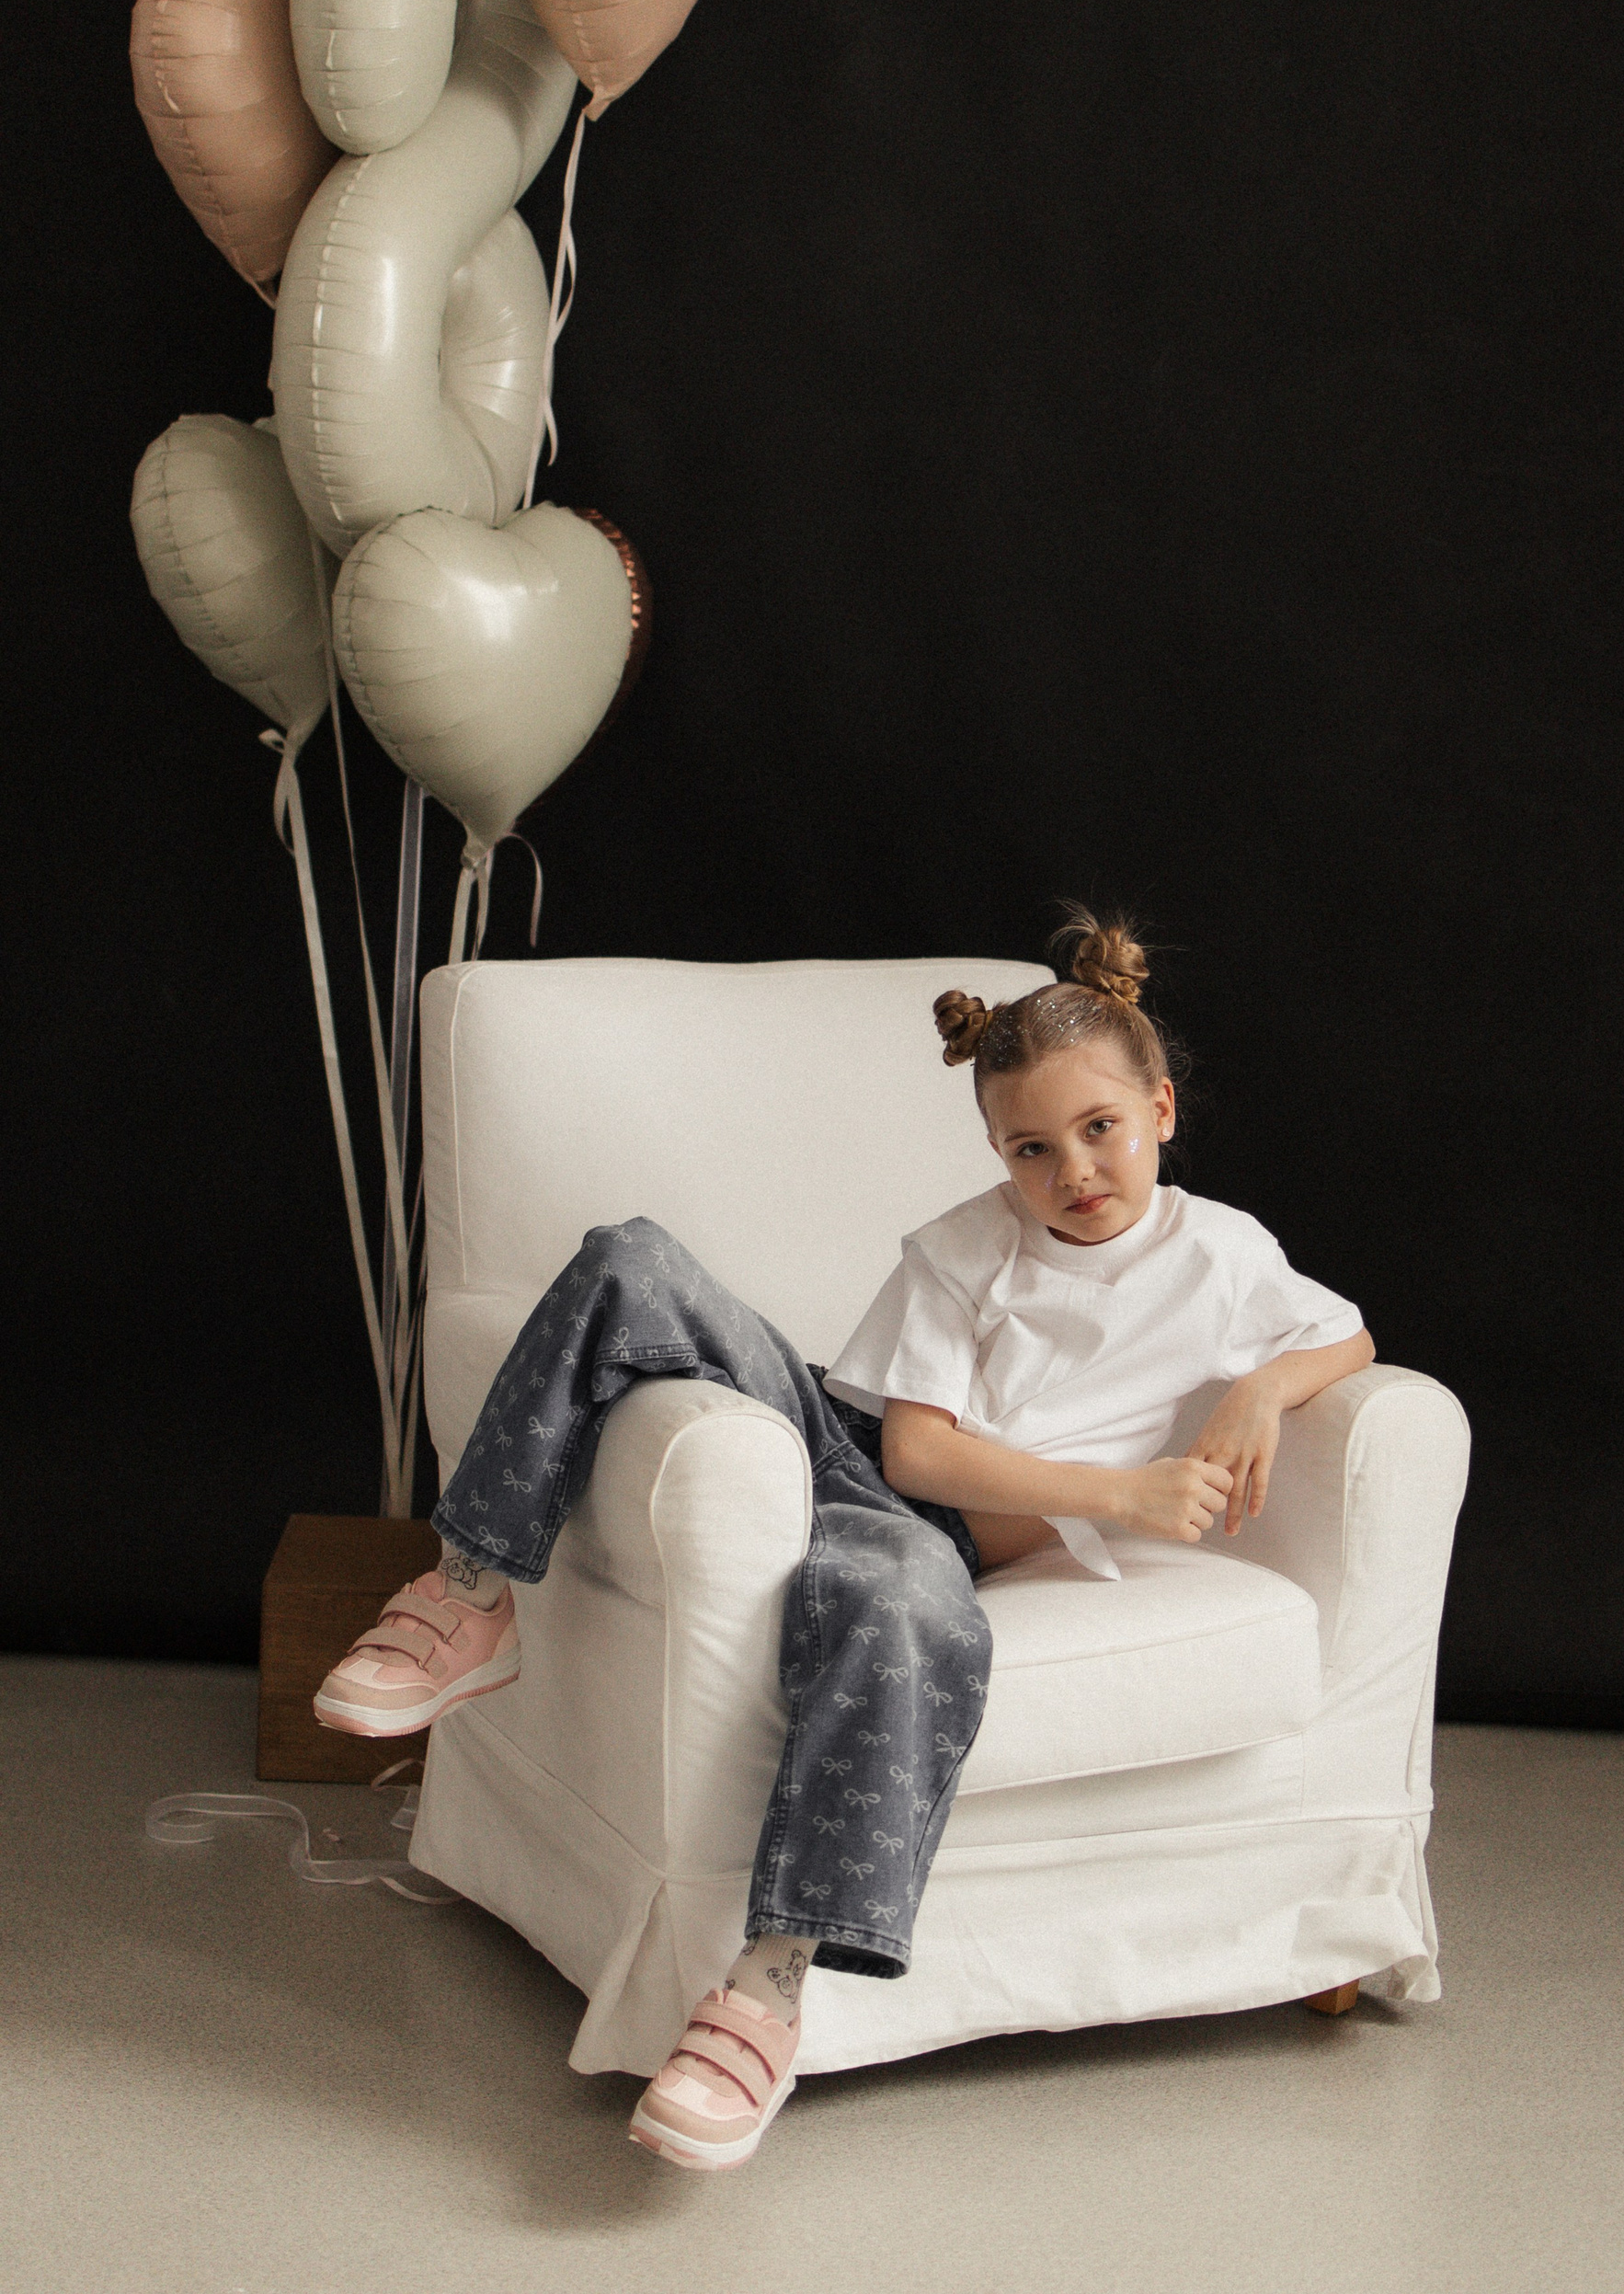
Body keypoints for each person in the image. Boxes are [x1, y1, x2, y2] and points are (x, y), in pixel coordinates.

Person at [314, 911, 1375, 2170]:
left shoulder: (1225, 1255)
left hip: (924, 1542)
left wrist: (1258, 1392)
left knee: (908, 1607)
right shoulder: (969, 1246)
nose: (1074, 1172)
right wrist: (1123, 1496)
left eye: (1101, 1130)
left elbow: (1345, 1334)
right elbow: (915, 1452)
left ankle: (763, 1996)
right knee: (629, 1258)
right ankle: (473, 1588)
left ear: (1161, 1108)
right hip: (839, 1445)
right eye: (1031, 1149)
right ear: (998, 1152)